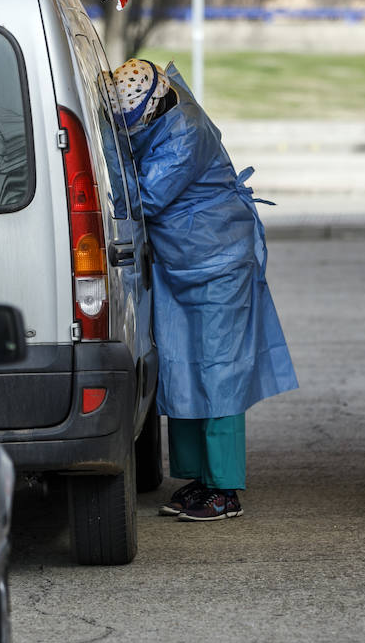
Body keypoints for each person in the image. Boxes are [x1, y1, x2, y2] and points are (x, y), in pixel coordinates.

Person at [110, 58, 297, 522]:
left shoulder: (185, 130)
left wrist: (108, 163)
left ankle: (225, 490)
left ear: (154, 108)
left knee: (220, 372)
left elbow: (144, 197)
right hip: (182, 265)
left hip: (220, 264)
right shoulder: (164, 116)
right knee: (182, 369)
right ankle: (200, 479)